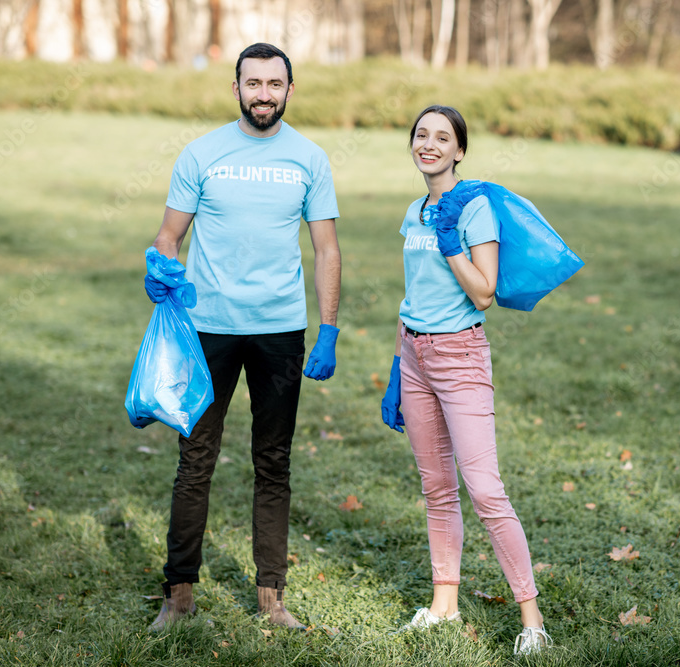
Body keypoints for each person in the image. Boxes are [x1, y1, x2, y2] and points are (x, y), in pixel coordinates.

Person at [144, 42, 341, 632]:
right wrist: (161, 268)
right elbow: (168, 234)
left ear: (289, 89)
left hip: (281, 331)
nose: (263, 93)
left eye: (274, 84)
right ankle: (178, 598)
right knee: (195, 459)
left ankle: (271, 599)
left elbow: (326, 248)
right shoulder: (202, 153)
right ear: (236, 88)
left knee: (273, 461)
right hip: (208, 329)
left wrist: (327, 327)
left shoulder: (309, 158)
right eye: (252, 83)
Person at [380, 105, 552, 655]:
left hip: (461, 358)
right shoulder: (414, 210)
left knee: (485, 490)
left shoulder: (473, 208)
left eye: (442, 138)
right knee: (436, 489)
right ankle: (444, 605)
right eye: (421, 135)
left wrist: (451, 240)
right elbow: (416, 294)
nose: (429, 144)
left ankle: (532, 622)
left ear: (459, 151)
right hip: (415, 356)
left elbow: (483, 292)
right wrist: (396, 368)